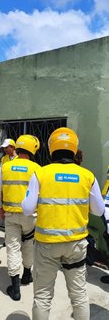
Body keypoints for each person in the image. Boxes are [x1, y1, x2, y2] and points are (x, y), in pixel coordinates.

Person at [22, 127, 105, 320]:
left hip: (47, 245)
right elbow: (99, 211)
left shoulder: (41, 174)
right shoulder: (87, 176)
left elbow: (27, 208)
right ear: (74, 149)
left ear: (51, 148)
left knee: (42, 296)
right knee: (79, 295)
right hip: (76, 245)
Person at [0, 135, 41, 301]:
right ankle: (27, 274)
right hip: (31, 216)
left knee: (13, 247)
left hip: (11, 215)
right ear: (33, 149)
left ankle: (15, 289)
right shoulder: (37, 168)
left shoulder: (6, 166)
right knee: (28, 244)